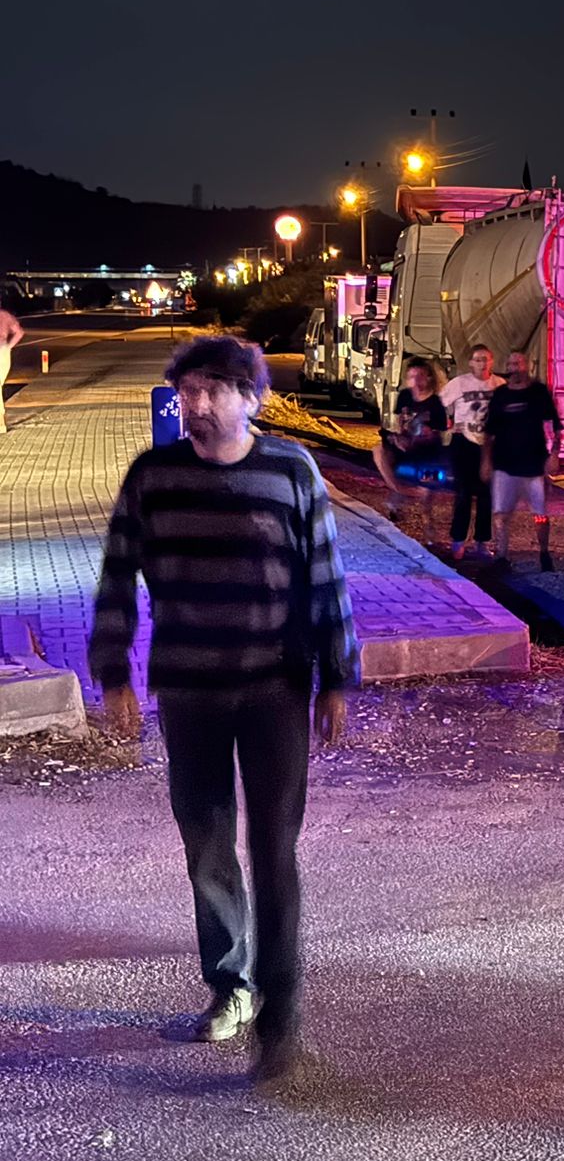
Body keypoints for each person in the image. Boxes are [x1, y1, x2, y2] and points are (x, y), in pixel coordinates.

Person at [89, 336, 357, 1089]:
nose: (197, 405)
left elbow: (325, 577)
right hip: (190, 690)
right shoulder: (154, 477)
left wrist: (337, 677)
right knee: (207, 844)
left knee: (274, 850)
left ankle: (281, 1015)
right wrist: (113, 672)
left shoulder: (291, 471)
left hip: (276, 690)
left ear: (251, 400)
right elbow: (116, 576)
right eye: (189, 390)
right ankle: (231, 985)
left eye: (214, 389)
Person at [483, 350, 561, 571]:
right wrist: (486, 461)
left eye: (517, 363)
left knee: (540, 515)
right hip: (504, 464)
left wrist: (554, 454)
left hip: (533, 465)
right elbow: (489, 432)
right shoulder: (500, 395)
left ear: (526, 366)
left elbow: (554, 425)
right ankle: (501, 555)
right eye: (510, 364)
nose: (513, 368)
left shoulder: (538, 393)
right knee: (500, 513)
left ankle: (544, 553)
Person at [439, 344, 503, 560]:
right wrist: (448, 425)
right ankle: (458, 540)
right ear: (470, 362)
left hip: (490, 444)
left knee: (487, 495)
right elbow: (439, 405)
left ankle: (482, 542)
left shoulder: (499, 385)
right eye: (477, 359)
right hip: (464, 442)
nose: (482, 363)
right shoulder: (460, 383)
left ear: (492, 361)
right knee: (464, 493)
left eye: (485, 359)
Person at [372, 359, 450, 516]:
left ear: (428, 377)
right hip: (406, 444)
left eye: (419, 376)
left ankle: (428, 529)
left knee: (427, 495)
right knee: (378, 451)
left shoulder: (435, 403)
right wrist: (397, 437)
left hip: (427, 450)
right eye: (411, 377)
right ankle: (398, 490)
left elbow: (440, 430)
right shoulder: (405, 396)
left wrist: (426, 433)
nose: (415, 381)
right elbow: (400, 420)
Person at [0, 307, 22, 433]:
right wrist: (9, 346)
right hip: (3, 351)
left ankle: (1, 422)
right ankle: (1, 422)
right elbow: (19, 332)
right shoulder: (5, 315)